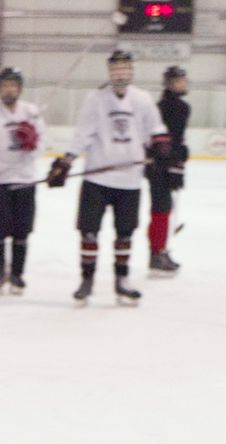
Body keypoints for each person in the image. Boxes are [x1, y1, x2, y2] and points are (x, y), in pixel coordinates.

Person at [53, 49, 165, 305]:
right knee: (89, 232)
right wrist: (67, 160)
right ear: (109, 72)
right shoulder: (96, 99)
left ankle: (122, 280)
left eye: (125, 68)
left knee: (124, 234)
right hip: (97, 178)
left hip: (130, 180)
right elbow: (83, 133)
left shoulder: (143, 99)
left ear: (132, 71)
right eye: (115, 69)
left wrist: (162, 145)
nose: (120, 73)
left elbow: (155, 129)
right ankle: (87, 279)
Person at [0, 66, 44, 295]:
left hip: (24, 181)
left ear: (19, 88)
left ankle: (17, 275)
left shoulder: (31, 112)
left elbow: (42, 144)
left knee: (22, 233)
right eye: (5, 85)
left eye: (13, 85)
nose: (9, 90)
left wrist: (31, 143)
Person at [146, 64, 190, 275]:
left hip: (164, 164)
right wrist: (175, 165)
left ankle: (159, 251)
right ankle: (157, 253)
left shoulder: (167, 105)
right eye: (180, 80)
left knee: (163, 208)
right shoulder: (172, 107)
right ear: (170, 84)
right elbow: (169, 139)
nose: (184, 83)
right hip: (161, 165)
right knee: (161, 209)